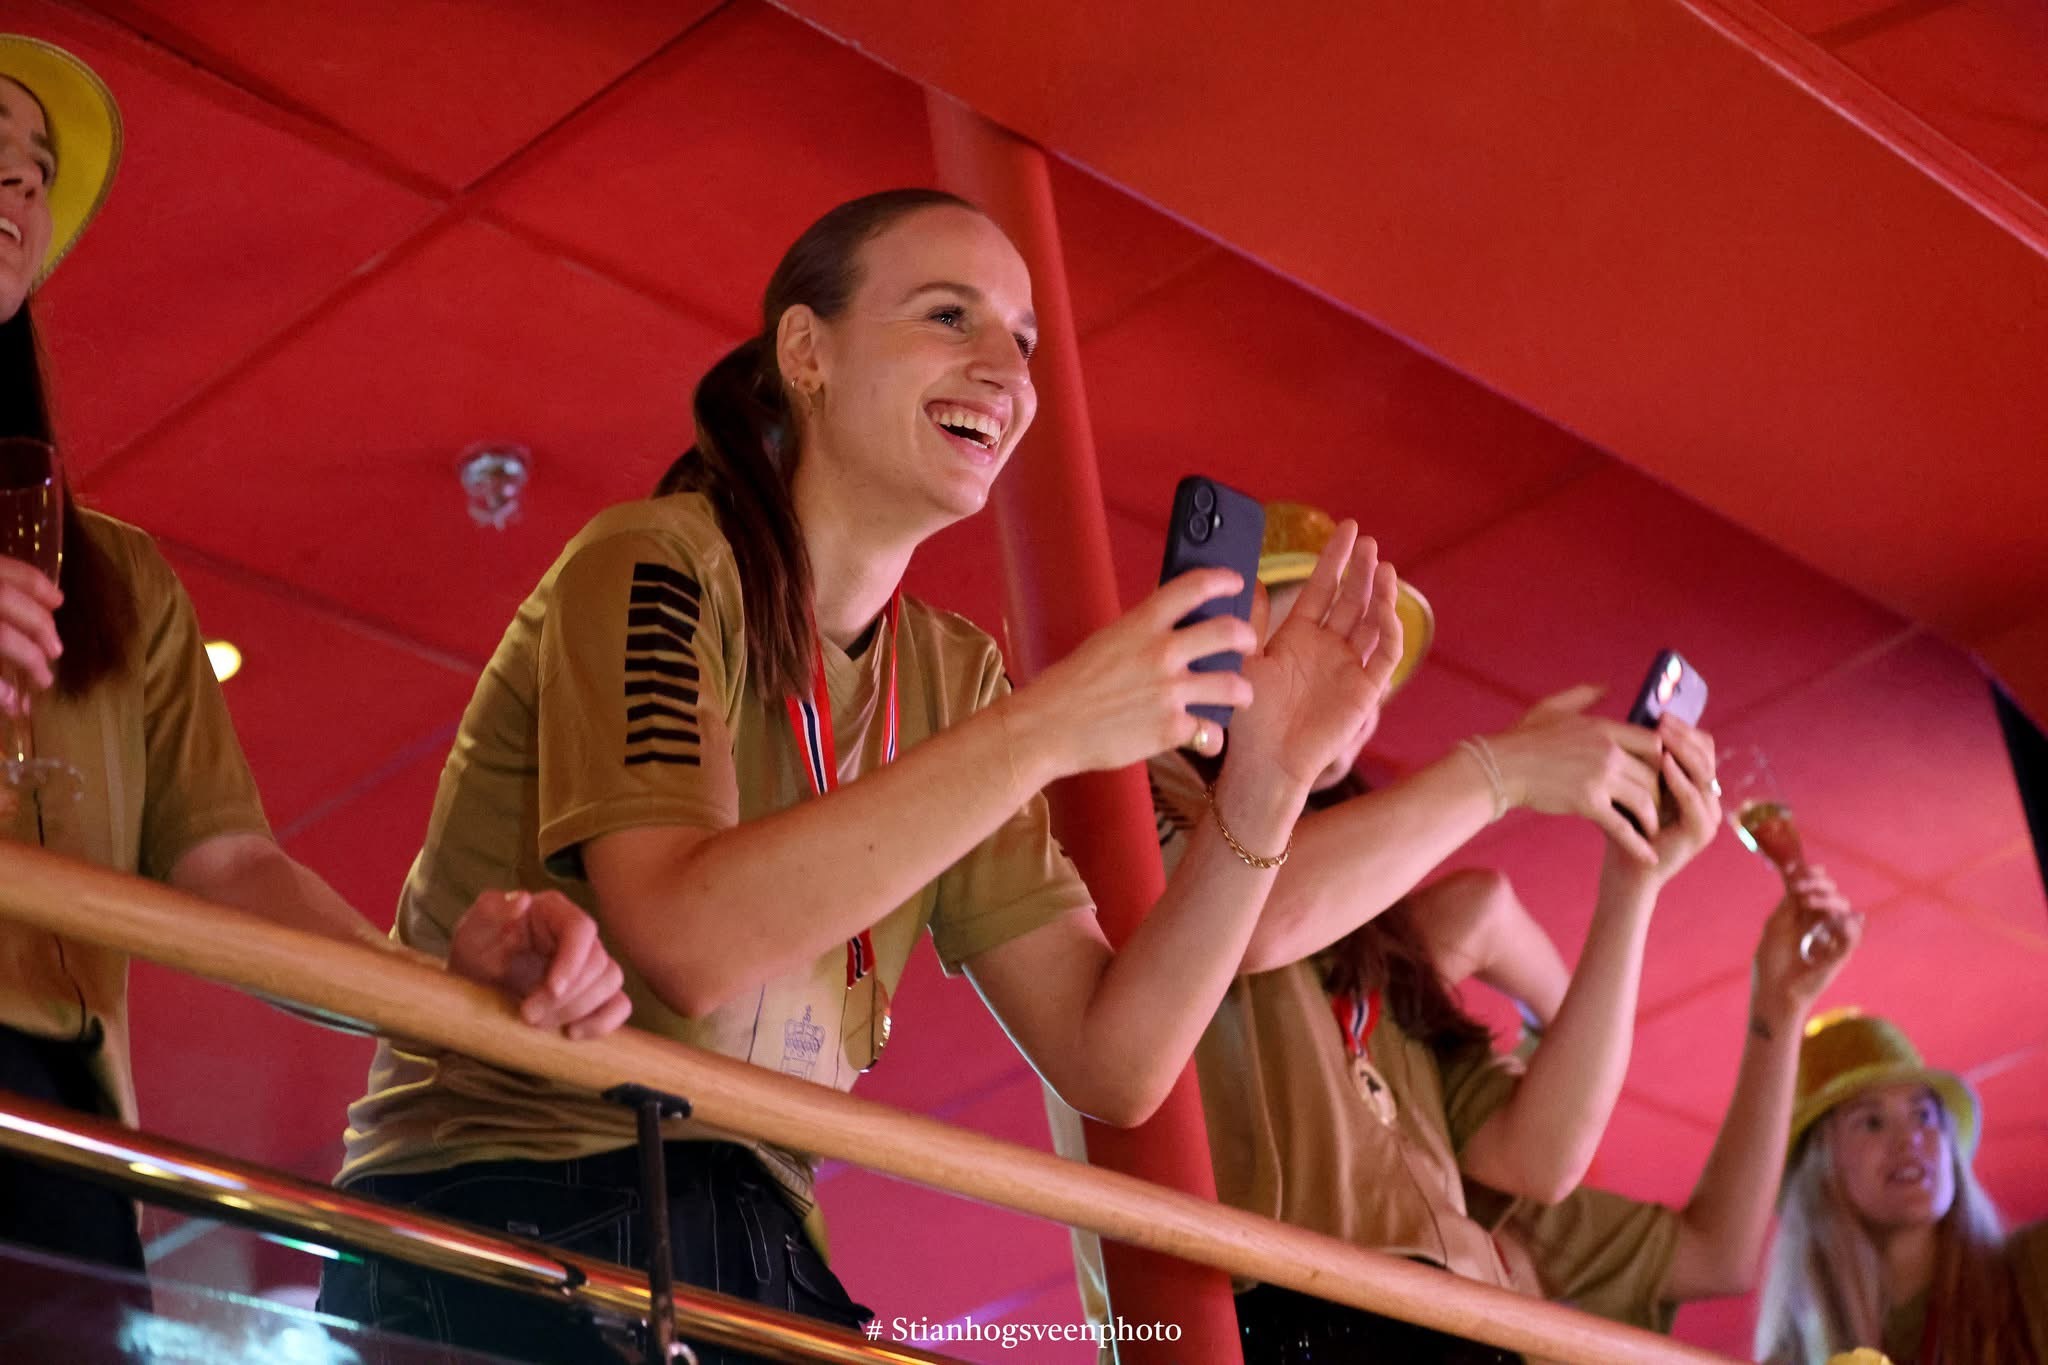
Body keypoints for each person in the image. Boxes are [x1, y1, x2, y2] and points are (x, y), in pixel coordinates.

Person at [322, 190, 1398, 1361]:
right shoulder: (652, 557)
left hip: (752, 1230)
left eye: (1023, 341)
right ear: (805, 352)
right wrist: (1047, 727)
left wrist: (1267, 786)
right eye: (948, 316)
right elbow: (687, 933)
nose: (1007, 372)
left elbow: (1115, 1060)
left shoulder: (954, 675)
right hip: (512, 1206)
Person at [0, 32, 629, 1286]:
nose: (20, 182)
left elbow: (230, 868)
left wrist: (430, 988)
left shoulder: (115, 577)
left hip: (69, 1142)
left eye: (37, 166)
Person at [1052, 500, 1723, 1364]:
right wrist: (1498, 772)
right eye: (1331, 623)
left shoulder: (1377, 915)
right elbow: (1258, 918)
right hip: (1287, 1317)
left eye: (1379, 653)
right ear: (1226, 625)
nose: (1363, 673)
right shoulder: (1140, 771)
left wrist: (1633, 885)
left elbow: (1539, 1156)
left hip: (1463, 1318)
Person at [1420, 862, 1863, 1357]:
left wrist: (1780, 1007)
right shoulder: (1440, 1134)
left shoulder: (1526, 1217)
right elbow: (1481, 911)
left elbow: (1718, 1255)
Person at [1752, 1010, 2047, 1365]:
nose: (1909, 1139)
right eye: (1872, 1122)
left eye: (1923, 1115)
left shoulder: (2034, 1270)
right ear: (1820, 1166)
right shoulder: (1794, 1358)